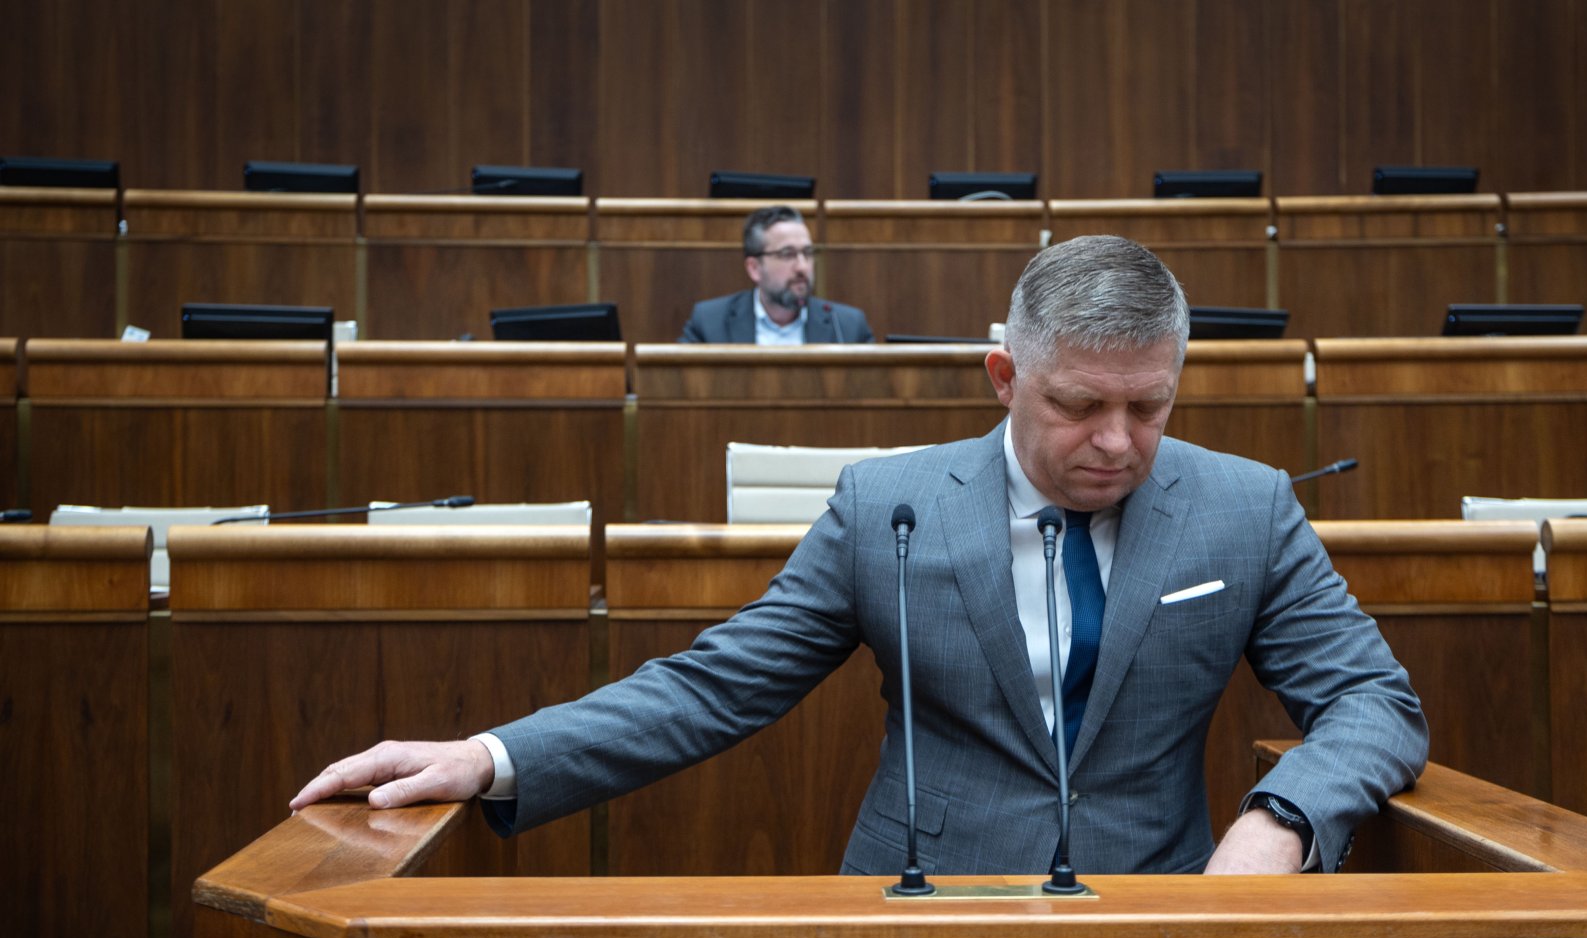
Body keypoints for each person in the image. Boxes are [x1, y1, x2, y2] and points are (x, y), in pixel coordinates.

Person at [294, 236, 1426, 875]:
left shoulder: (1244, 508)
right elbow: (715, 685)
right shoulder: (887, 505)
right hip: (914, 918)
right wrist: (490, 755)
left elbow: (1375, 701)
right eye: (1081, 406)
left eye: (1151, 406)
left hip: (1164, 918)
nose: (1119, 443)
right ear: (1004, 377)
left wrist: (1282, 819)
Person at [678, 205, 874, 344]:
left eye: (807, 253)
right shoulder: (710, 324)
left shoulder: (846, 327)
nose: (802, 266)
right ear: (754, 268)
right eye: (787, 254)